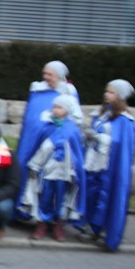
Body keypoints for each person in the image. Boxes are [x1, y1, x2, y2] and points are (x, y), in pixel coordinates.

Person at [76, 79, 135, 252]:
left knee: (107, 197)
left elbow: (119, 144)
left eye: (111, 92)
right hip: (94, 162)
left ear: (120, 97)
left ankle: (105, 230)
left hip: (110, 167)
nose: (106, 95)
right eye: (106, 91)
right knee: (91, 195)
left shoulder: (125, 121)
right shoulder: (101, 114)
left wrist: (99, 138)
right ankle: (91, 227)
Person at [16, 60, 82, 218]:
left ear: (59, 76)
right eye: (44, 73)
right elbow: (30, 114)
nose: (45, 77)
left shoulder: (68, 92)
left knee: (51, 183)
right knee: (28, 172)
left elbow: (74, 117)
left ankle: (52, 219)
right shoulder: (37, 89)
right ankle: (25, 212)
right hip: (32, 140)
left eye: (49, 74)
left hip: (56, 145)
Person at [20, 94, 86, 241]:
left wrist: (76, 169)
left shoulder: (73, 129)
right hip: (47, 171)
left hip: (64, 172)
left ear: (67, 110)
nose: (55, 110)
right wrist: (35, 165)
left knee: (61, 198)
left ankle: (58, 223)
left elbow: (77, 151)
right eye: (54, 107)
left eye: (59, 107)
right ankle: (42, 222)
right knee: (45, 195)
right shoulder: (47, 127)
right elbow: (38, 148)